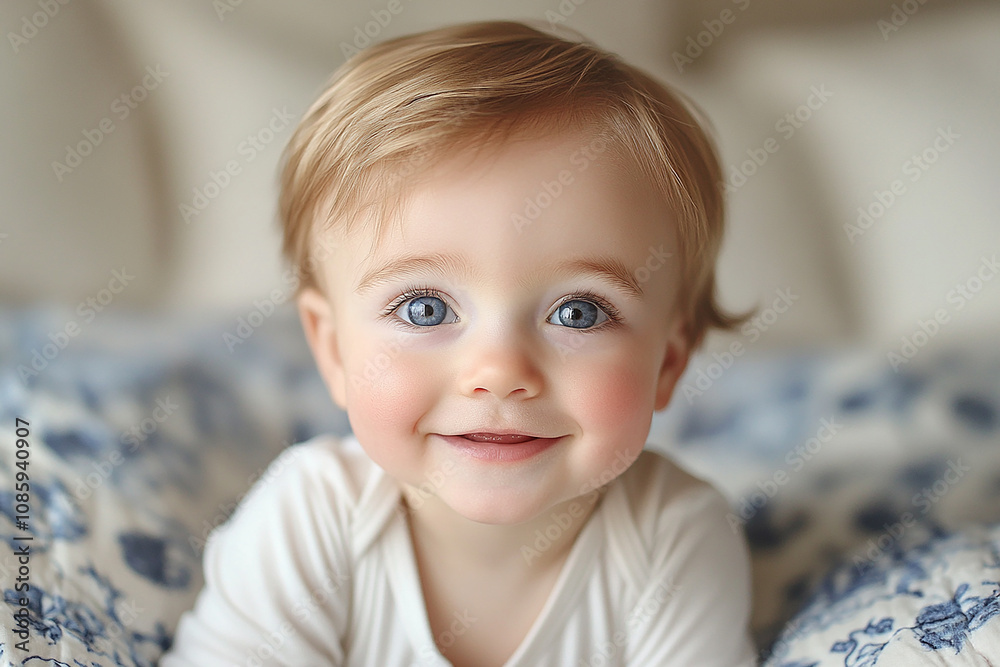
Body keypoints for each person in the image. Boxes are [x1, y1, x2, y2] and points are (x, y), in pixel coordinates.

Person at [161, 19, 756, 667]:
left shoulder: (675, 537)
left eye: (579, 312)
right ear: (333, 350)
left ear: (668, 360)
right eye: (425, 308)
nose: (499, 372)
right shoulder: (308, 521)